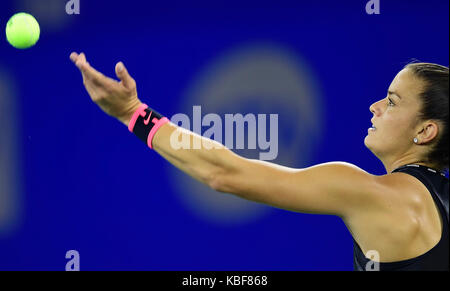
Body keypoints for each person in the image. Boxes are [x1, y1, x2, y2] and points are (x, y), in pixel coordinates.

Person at [69, 52, 449, 271]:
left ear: (426, 131)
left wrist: (133, 113)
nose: (375, 106)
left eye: (393, 101)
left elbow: (224, 173)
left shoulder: (373, 193)